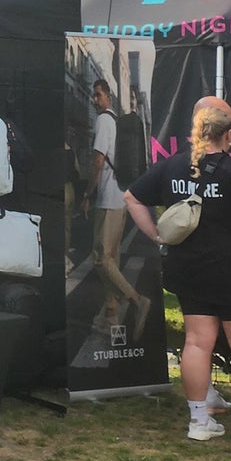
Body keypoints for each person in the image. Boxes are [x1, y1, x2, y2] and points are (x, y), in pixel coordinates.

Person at [125, 101, 231, 445]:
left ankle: (198, 421)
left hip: (188, 267)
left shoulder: (173, 166)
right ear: (229, 135)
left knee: (195, 342)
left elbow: (131, 197)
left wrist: (157, 236)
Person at [82, 80, 149, 333]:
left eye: (98, 95)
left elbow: (98, 160)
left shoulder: (103, 122)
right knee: (113, 256)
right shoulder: (117, 122)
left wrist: (87, 193)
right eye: (94, 96)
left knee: (101, 258)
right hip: (121, 195)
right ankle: (111, 312)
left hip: (108, 198)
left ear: (107, 95)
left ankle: (137, 300)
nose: (95, 100)